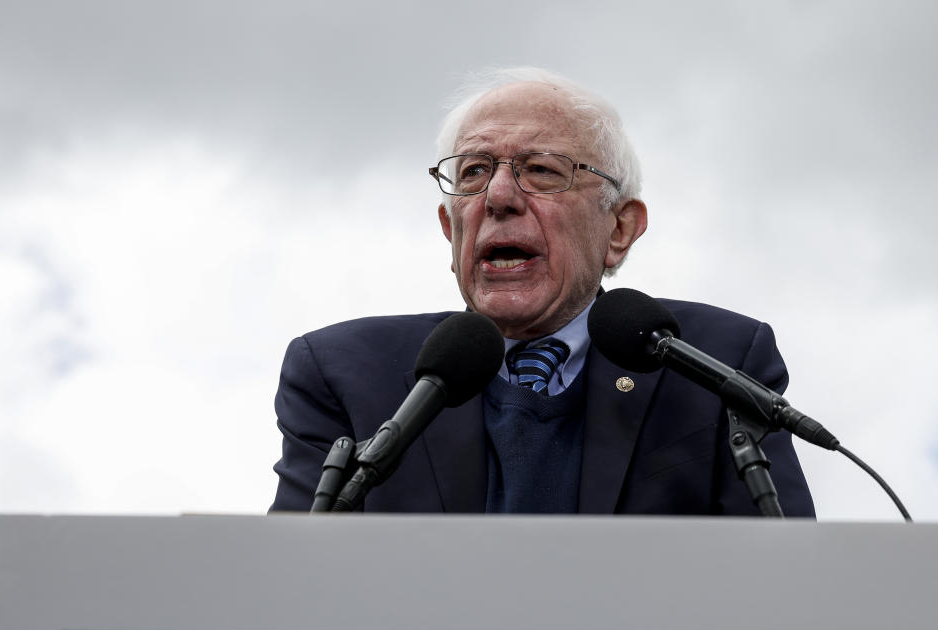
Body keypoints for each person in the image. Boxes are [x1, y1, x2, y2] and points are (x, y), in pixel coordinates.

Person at [271, 67, 814, 516]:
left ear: (619, 229)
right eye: (475, 171)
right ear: (449, 227)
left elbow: (786, 589)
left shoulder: (718, 361)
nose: (499, 196)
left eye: (542, 170)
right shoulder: (341, 372)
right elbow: (293, 590)